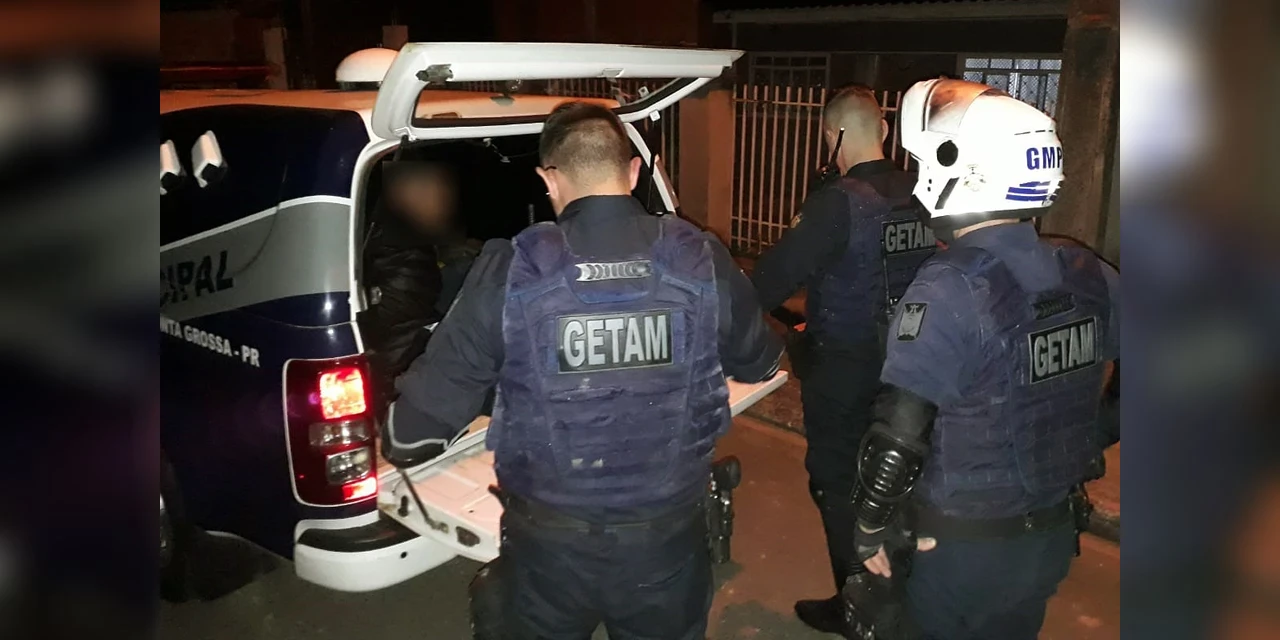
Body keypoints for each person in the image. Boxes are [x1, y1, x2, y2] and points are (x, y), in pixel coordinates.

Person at [385, 102, 783, 639]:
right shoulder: (700, 257)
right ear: (634, 172)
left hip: (548, 556)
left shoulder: (511, 268)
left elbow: (410, 437)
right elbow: (762, 362)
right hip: (666, 547)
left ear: (548, 180)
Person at [847, 78, 1120, 640]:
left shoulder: (950, 286)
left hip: (961, 548)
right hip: (1047, 538)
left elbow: (899, 433)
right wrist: (1092, 432)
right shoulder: (1086, 272)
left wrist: (870, 525)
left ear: (962, 168)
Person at [749, 84, 935, 633]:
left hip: (845, 371)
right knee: (898, 478)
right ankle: (902, 589)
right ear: (884, 130)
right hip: (914, 366)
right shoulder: (922, 191)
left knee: (836, 483)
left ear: (831, 135)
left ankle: (858, 606)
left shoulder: (839, 201)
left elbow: (769, 281)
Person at [362, 160, 474, 394]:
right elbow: (401, 335)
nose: (442, 202)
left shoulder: (391, 238)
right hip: (401, 372)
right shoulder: (405, 259)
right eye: (432, 192)